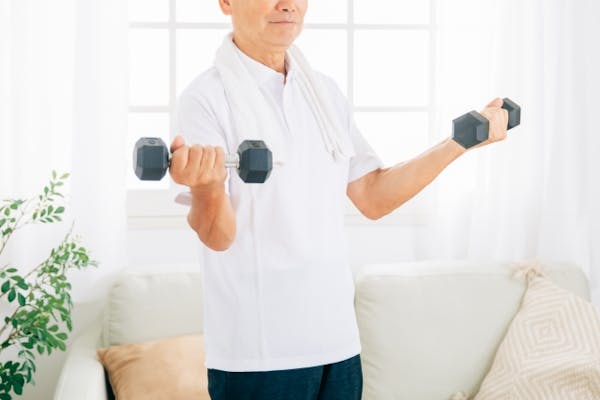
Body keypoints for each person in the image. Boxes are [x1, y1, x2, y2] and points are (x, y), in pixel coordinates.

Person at [169, 1, 509, 399]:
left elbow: (373, 196)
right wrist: (207, 188)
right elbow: (218, 236)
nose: (287, 5)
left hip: (337, 344)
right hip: (260, 354)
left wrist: (461, 142)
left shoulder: (323, 93)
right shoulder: (205, 99)